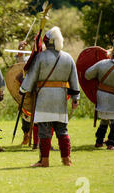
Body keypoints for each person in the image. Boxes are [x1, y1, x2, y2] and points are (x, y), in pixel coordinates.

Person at [20, 27, 80, 167]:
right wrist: (76, 98)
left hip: (44, 97)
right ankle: (66, 160)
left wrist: (23, 89)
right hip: (60, 98)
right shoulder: (68, 57)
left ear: (47, 41)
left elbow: (32, 76)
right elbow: (74, 80)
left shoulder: (41, 57)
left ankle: (44, 160)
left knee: (44, 130)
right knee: (62, 130)